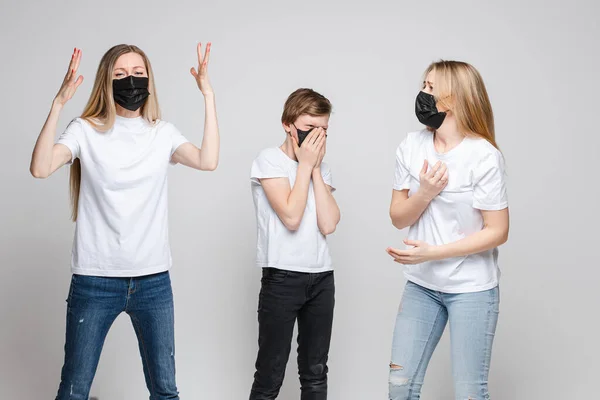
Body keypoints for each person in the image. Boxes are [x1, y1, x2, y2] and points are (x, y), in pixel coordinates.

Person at [29, 43, 219, 400]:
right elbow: (40, 168)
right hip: (94, 280)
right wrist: (58, 104)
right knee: (74, 390)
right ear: (105, 82)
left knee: (165, 390)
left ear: (149, 80)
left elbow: (208, 160)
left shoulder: (162, 133)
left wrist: (207, 94)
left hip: (153, 281)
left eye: (137, 74)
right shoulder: (85, 130)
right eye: (120, 75)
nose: (130, 81)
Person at [386, 60, 509, 400]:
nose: (421, 94)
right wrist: (425, 192)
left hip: (472, 289)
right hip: (422, 286)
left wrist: (432, 253)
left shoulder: (483, 156)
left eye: (430, 88)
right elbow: (398, 217)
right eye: (423, 85)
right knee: (400, 387)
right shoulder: (411, 146)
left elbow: (497, 231)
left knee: (469, 393)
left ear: (453, 99)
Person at [249, 88, 341, 400]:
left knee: (315, 373)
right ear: (288, 124)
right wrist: (304, 165)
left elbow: (328, 223)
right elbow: (291, 216)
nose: (317, 136)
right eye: (309, 127)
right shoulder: (268, 160)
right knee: (270, 374)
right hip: (282, 278)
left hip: (321, 278)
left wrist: (314, 168)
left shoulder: (320, 168)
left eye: (323, 130)